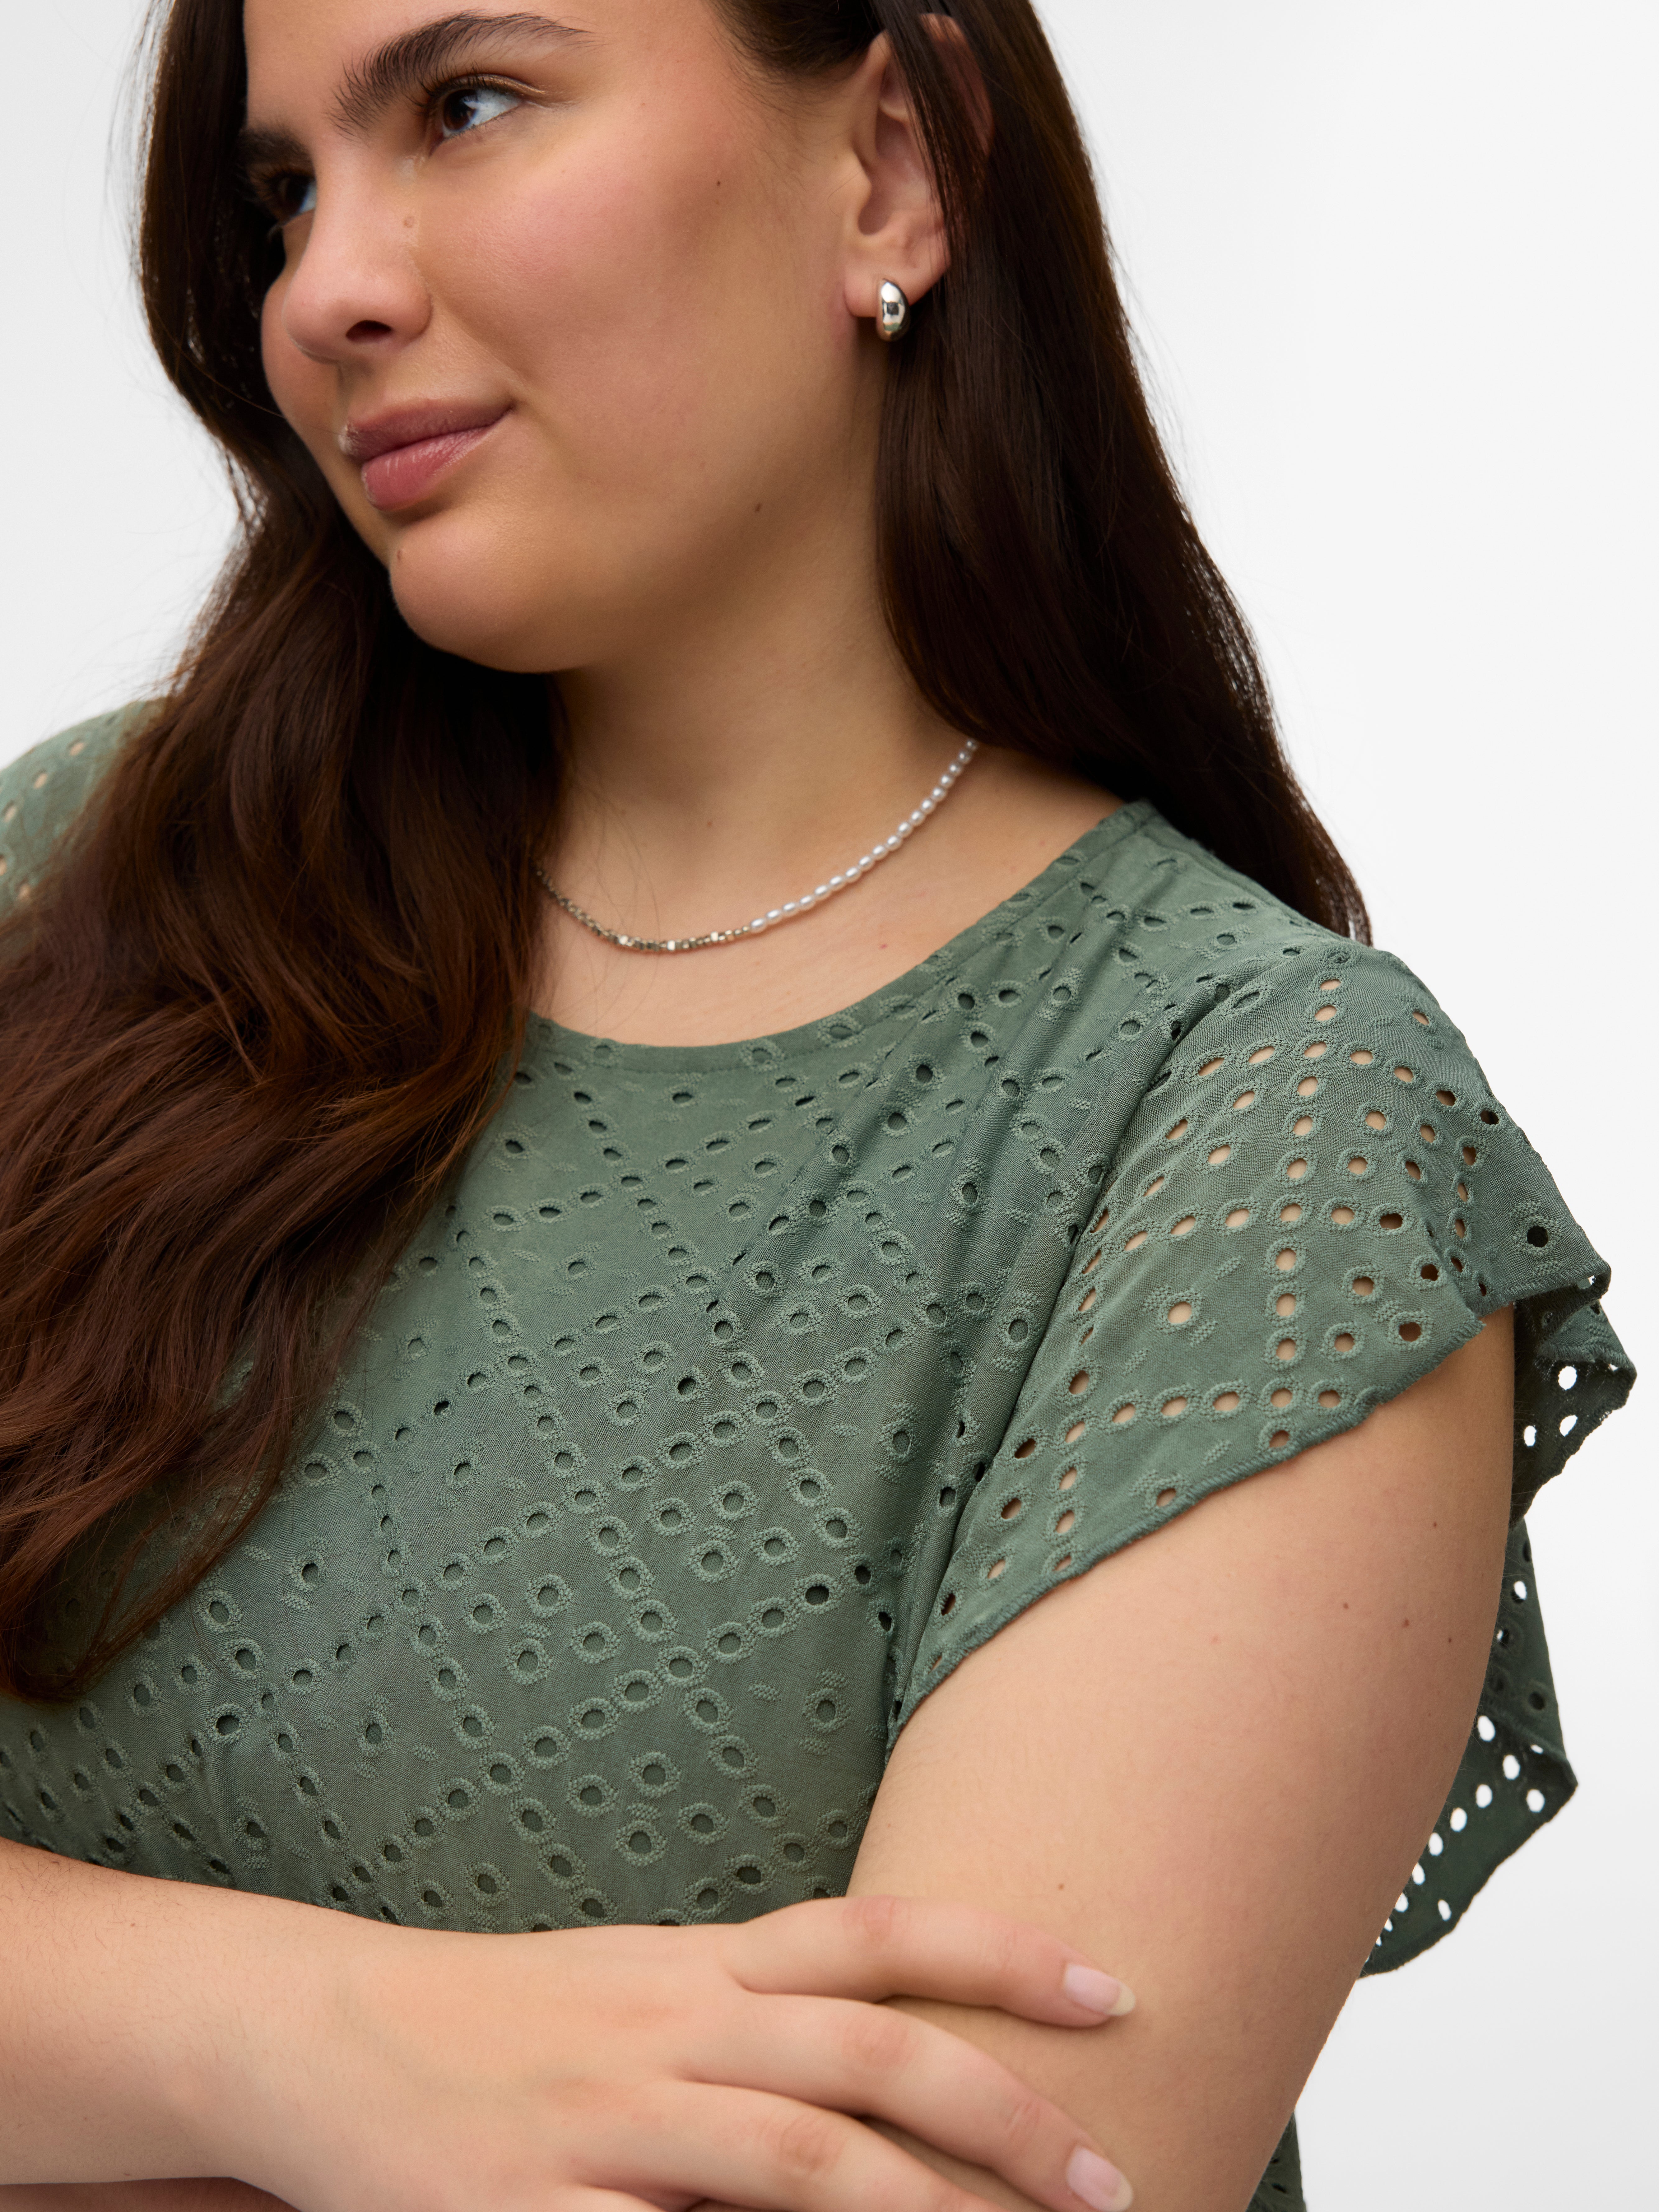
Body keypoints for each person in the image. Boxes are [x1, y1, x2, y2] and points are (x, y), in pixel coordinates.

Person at [0, 2, 1633, 2209]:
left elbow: (952, 2182)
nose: (323, 290)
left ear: (888, 167)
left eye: (466, 106)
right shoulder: (78, 890)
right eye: (283, 191)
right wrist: (301, 2052)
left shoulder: (1254, 1130)